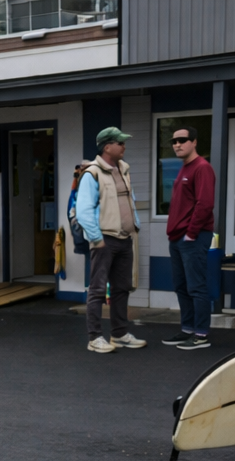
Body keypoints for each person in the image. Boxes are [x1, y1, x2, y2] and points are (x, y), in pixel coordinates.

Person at [75, 127, 144, 354]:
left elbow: (129, 201)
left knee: (121, 288)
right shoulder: (92, 173)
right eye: (120, 143)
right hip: (104, 239)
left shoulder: (123, 169)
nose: (124, 146)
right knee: (96, 289)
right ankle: (94, 338)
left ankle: (119, 334)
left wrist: (135, 226)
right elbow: (83, 211)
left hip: (125, 238)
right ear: (107, 147)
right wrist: (97, 238)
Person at [163, 126, 217, 350]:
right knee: (181, 286)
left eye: (182, 140)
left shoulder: (202, 168)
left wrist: (191, 234)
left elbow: (204, 204)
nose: (177, 144)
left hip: (193, 238)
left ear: (194, 142)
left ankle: (201, 335)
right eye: (174, 141)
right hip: (177, 238)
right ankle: (187, 330)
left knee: (196, 287)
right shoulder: (184, 168)